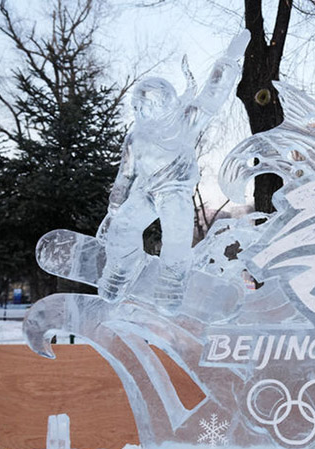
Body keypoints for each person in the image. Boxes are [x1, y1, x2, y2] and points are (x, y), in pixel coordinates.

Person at [96, 31, 249, 310]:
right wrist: (113, 212)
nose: (136, 112)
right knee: (122, 230)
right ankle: (123, 267)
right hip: (144, 192)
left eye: (139, 107)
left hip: (175, 192)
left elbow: (210, 96)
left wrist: (228, 60)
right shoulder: (135, 138)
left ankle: (171, 282)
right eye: (135, 107)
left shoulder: (183, 122)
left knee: (176, 238)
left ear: (156, 106)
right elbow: (125, 177)